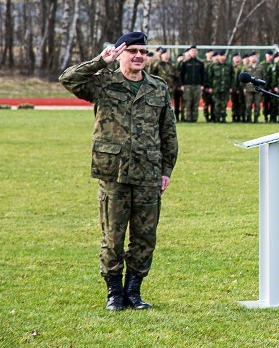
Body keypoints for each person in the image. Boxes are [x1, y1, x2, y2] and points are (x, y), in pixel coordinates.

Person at [59, 31, 178, 311]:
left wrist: (166, 169)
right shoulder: (104, 83)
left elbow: (168, 132)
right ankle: (114, 292)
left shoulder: (158, 88)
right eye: (132, 50)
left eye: (143, 52)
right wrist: (100, 61)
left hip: (149, 173)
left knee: (145, 236)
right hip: (113, 172)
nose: (138, 56)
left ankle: (133, 291)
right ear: (121, 53)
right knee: (113, 235)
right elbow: (68, 79)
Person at [179, 45, 204, 122]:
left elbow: (203, 74)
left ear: (197, 52)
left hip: (197, 85)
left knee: (196, 102)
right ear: (189, 52)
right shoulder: (185, 62)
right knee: (188, 102)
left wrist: (202, 84)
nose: (194, 52)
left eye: (195, 51)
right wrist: (182, 85)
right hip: (187, 85)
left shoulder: (200, 63)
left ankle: (194, 118)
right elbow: (181, 74)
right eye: (192, 51)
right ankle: (188, 118)